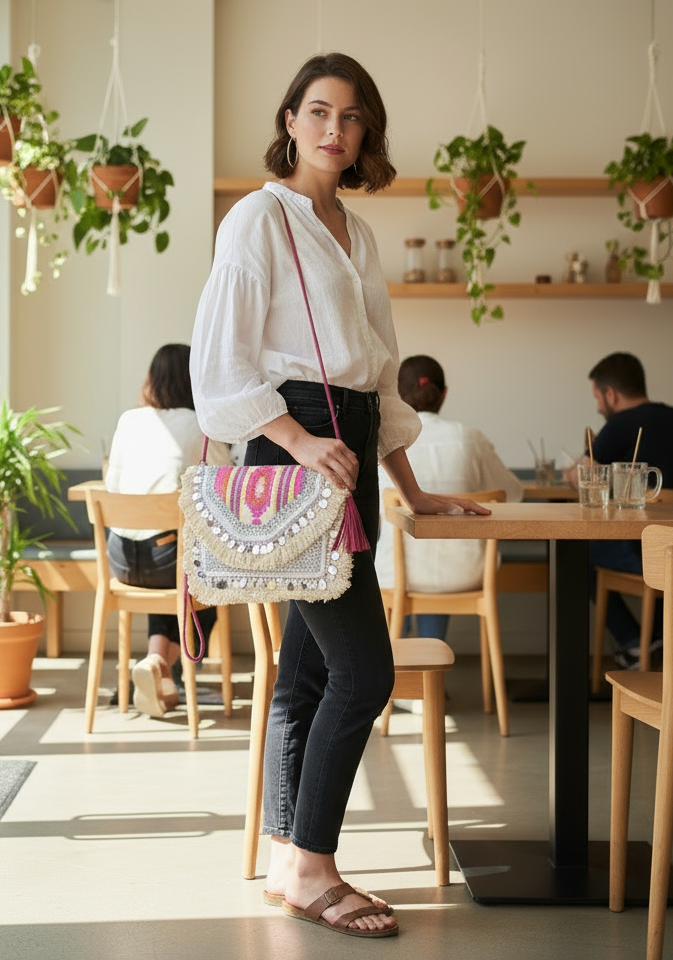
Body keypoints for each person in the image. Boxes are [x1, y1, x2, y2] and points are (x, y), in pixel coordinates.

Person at [190, 53, 488, 938]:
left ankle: (290, 856)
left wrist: (415, 488)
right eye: (317, 111)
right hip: (295, 441)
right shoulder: (257, 218)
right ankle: (315, 866)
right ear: (289, 121)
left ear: (366, 133)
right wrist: (296, 439)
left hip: (346, 435)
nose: (333, 129)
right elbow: (222, 364)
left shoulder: (353, 233)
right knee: (366, 671)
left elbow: (382, 380)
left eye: (351, 117)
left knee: (314, 670)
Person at [104, 343, 231, 718]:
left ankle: (157, 664)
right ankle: (164, 667)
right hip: (167, 560)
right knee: (212, 579)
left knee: (173, 561)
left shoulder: (129, 420)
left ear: (152, 379)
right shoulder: (200, 426)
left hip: (121, 560)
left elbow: (112, 484)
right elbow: (223, 482)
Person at [375, 355, 524, 642]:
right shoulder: (470, 438)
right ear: (444, 393)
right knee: (436, 559)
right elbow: (512, 494)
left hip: (396, 573)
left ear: (398, 394)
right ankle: (432, 669)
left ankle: (405, 674)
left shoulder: (384, 441)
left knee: (397, 564)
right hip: (465, 572)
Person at [571, 352, 673, 668]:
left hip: (648, 554)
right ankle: (657, 642)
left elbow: (585, 477)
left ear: (611, 394)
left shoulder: (619, 425)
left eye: (597, 397)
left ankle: (633, 644)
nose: (598, 406)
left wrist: (573, 473)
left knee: (576, 553)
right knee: (664, 537)